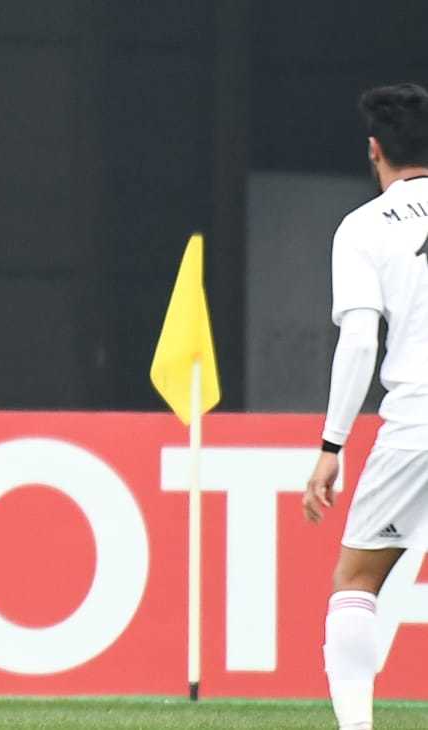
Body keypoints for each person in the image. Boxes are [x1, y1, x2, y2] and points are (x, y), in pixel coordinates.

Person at [303, 82, 428, 730]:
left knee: (356, 582)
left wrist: (332, 446)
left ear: (374, 149)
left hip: (416, 420)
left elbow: (358, 341)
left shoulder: (362, 228)